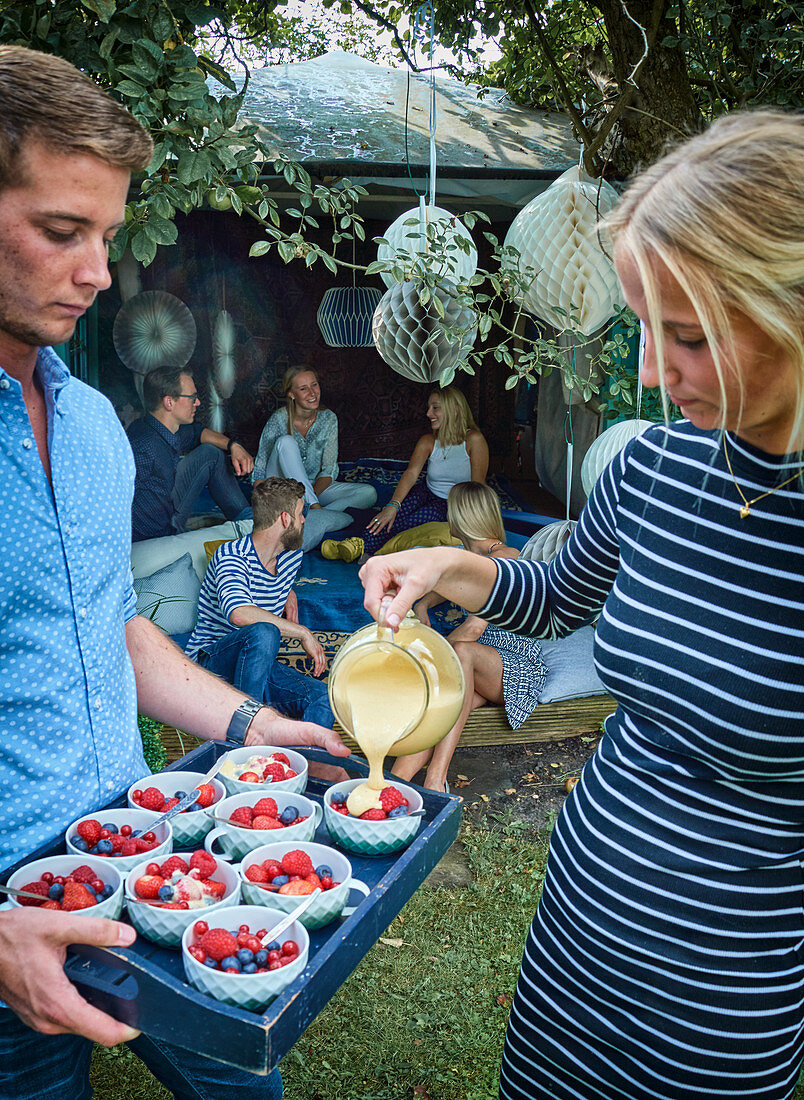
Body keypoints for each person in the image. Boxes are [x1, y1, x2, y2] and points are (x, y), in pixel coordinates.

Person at [361, 111, 804, 1100]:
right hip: (577, 928)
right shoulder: (650, 467)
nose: (649, 373)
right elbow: (552, 596)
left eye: (685, 335)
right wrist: (443, 568)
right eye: (644, 327)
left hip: (721, 989)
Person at [0, 44, 348, 1100]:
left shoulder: (99, 424)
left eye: (105, 234)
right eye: (63, 231)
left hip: (151, 859)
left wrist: (256, 725)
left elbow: (113, 624)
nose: (101, 271)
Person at [392, 482, 546, 792]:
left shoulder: (507, 558)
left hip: (517, 666)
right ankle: (390, 789)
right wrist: (422, 605)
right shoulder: (466, 555)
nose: (446, 514)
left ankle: (436, 780)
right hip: (480, 665)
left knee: (461, 651)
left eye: (451, 509)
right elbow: (440, 586)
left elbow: (475, 629)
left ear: (463, 516)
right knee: (438, 712)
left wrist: (430, 657)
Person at [186, 477, 333, 727]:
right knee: (265, 632)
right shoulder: (231, 557)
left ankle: (309, 762)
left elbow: (268, 579)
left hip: (256, 667)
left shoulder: (291, 556)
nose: (304, 520)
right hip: (211, 665)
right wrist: (302, 632)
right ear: (285, 519)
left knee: (325, 698)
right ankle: (248, 736)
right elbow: (239, 614)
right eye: (300, 514)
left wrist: (288, 592)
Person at [322, 384, 489, 563]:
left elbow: (477, 486)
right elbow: (411, 473)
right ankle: (357, 545)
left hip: (455, 503)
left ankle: (376, 553)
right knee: (389, 516)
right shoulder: (428, 441)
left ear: (455, 410)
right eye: (429, 407)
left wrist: (464, 518)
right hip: (426, 492)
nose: (428, 413)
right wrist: (392, 506)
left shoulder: (473, 440)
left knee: (414, 521)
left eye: (435, 408)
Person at [253, 365, 377, 549]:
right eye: (303, 388)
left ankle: (313, 515)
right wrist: (274, 503)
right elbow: (259, 475)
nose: (312, 393)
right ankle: (320, 514)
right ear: (291, 394)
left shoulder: (328, 419)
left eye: (315, 385)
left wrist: (308, 499)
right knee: (286, 442)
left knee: (368, 494)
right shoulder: (278, 420)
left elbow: (327, 471)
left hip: (313, 490)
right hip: (281, 490)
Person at [127, 364, 254, 542]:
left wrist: (234, 446)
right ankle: (251, 529)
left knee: (211, 453)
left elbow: (197, 432)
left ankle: (249, 520)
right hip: (156, 539)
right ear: (169, 402)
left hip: (167, 507)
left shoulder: (161, 426)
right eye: (192, 398)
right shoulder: (145, 447)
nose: (198, 403)